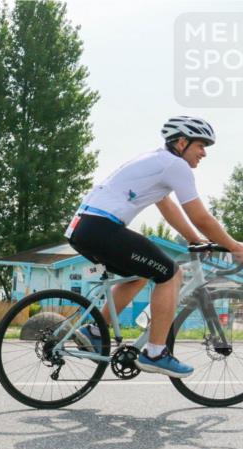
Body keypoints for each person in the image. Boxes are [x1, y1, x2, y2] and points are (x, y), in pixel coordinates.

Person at [65, 116, 243, 378]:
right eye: (200, 145)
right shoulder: (174, 165)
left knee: (139, 275)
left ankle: (94, 330)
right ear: (182, 143)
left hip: (84, 228)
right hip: (102, 227)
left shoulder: (158, 161)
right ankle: (155, 353)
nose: (204, 153)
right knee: (171, 273)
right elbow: (201, 216)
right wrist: (234, 246)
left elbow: (166, 205)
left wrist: (194, 238)